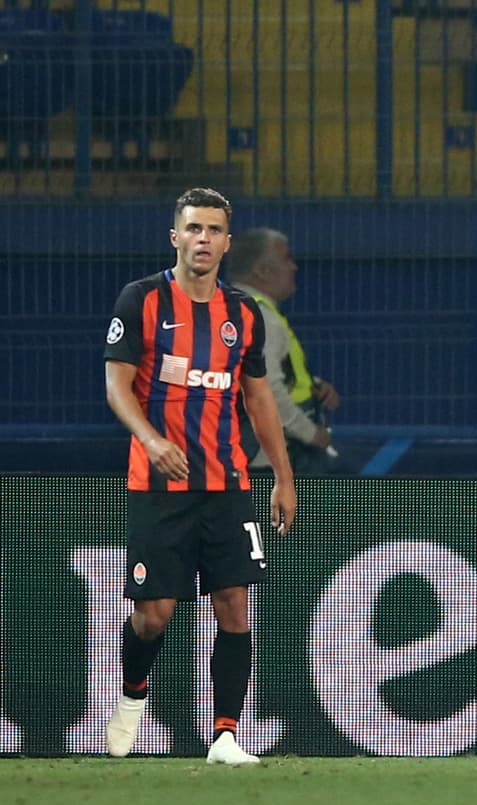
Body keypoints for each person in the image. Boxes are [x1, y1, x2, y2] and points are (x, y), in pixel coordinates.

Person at [103, 187, 297, 765]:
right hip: (159, 483)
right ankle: (135, 692)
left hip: (228, 483)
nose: (203, 239)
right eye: (194, 229)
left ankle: (226, 736)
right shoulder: (141, 300)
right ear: (176, 237)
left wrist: (283, 478)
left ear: (227, 243)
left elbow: (260, 401)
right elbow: (116, 385)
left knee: (234, 604)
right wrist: (152, 439)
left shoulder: (243, 315)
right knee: (153, 614)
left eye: (214, 230)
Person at [222, 227, 343, 474]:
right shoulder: (261, 318)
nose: (294, 267)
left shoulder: (228, 308)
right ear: (263, 271)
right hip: (269, 458)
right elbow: (266, 389)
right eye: (287, 259)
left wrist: (311, 384)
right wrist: (311, 434)